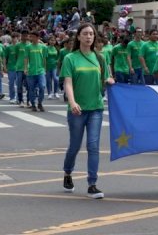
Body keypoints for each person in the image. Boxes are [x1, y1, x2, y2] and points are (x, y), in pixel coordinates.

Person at [61, 23, 114, 199]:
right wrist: (73, 102)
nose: (89, 37)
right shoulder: (70, 58)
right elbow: (67, 82)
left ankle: (92, 184)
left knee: (93, 145)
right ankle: (68, 172)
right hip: (77, 109)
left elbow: (105, 77)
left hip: (96, 108)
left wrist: (110, 80)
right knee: (75, 146)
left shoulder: (100, 58)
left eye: (91, 34)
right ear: (78, 37)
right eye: (85, 34)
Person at [24, 31, 47, 111]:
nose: (31, 38)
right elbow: (26, 58)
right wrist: (26, 68)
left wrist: (44, 69)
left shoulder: (43, 47)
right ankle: (33, 104)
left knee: (42, 86)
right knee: (31, 89)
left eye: (33, 37)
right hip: (31, 71)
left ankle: (40, 103)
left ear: (38, 38)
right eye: (30, 37)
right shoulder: (28, 47)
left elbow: (44, 59)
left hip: (40, 70)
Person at [5, 32, 19, 104]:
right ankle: (12, 97)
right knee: (11, 83)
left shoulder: (20, 46)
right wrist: (5, 67)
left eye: (16, 38)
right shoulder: (8, 47)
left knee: (18, 83)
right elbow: (5, 57)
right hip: (11, 67)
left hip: (19, 67)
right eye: (13, 38)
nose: (14, 39)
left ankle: (18, 97)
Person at [45, 35, 60, 99]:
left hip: (54, 66)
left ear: (55, 41)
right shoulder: (46, 48)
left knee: (56, 79)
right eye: (51, 40)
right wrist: (44, 67)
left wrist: (57, 61)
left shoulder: (57, 48)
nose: (52, 41)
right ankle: (49, 93)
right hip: (47, 66)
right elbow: (44, 58)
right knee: (48, 80)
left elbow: (59, 57)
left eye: (53, 40)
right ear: (48, 41)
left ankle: (56, 92)